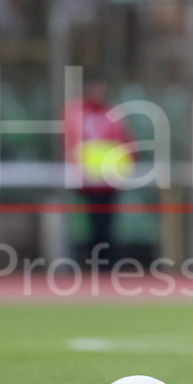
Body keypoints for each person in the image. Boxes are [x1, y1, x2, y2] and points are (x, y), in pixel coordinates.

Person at [62, 72, 134, 263]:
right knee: (92, 225)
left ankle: (105, 263)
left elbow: (125, 143)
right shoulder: (77, 113)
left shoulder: (113, 114)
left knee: (107, 225)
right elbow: (70, 142)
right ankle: (96, 262)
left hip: (109, 180)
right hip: (87, 180)